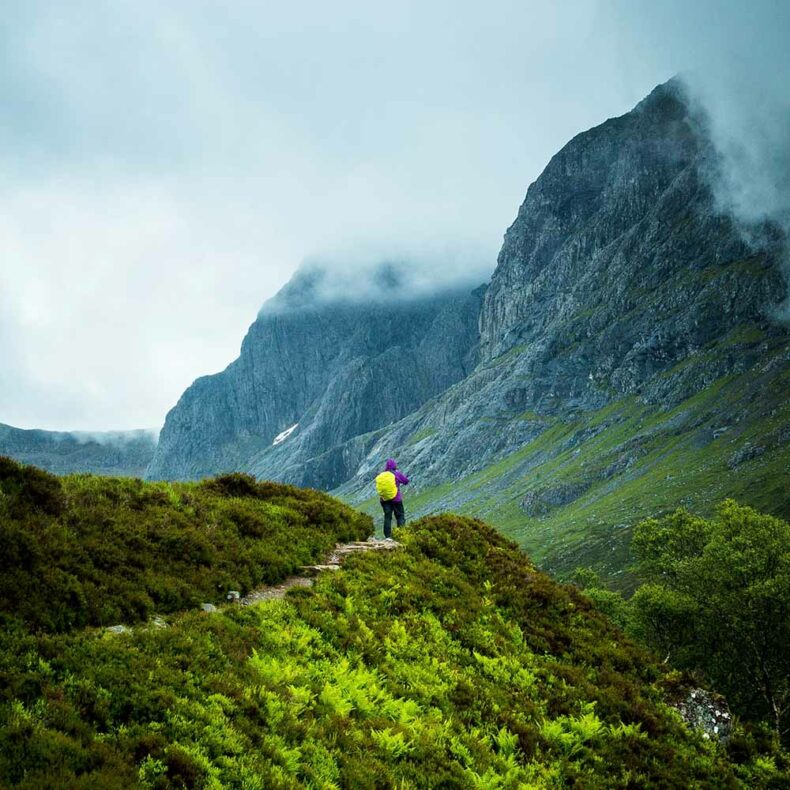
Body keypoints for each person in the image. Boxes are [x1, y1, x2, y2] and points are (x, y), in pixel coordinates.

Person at [375, 458, 409, 540]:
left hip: (384, 499)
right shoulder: (396, 474)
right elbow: (406, 481)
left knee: (388, 517)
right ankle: (401, 535)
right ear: (394, 465)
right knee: (400, 516)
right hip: (396, 499)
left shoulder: (382, 475)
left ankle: (387, 537)